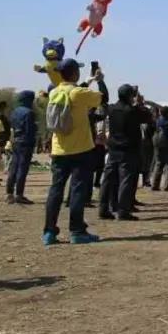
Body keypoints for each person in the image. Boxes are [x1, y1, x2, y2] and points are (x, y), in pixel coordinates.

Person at [42, 58, 104, 245]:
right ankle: (77, 231)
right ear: (75, 73)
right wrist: (99, 80)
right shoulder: (78, 93)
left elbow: (75, 90)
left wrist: (88, 80)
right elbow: (103, 98)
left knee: (56, 190)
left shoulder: (54, 92)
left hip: (59, 149)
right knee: (77, 191)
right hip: (80, 150)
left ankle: (49, 232)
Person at [99, 84, 144, 221]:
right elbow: (147, 117)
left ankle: (103, 208)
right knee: (125, 180)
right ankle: (123, 211)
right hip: (128, 149)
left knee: (108, 179)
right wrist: (139, 104)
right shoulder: (132, 111)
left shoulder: (112, 108)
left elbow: (104, 101)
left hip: (113, 148)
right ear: (130, 96)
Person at [5, 90, 37, 205]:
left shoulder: (14, 112)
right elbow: (30, 130)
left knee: (13, 167)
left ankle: (9, 193)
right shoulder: (29, 113)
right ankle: (19, 194)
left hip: (16, 141)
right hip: (26, 142)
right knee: (22, 169)